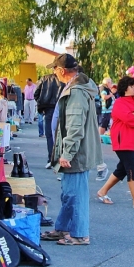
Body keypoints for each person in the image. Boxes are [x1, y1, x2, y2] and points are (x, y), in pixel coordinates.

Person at [41, 53, 102, 246]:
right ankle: (64, 228)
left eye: (54, 69)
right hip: (77, 150)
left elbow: (75, 125)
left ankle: (79, 234)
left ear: (61, 70)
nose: (54, 72)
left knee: (75, 193)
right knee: (69, 191)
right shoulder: (77, 87)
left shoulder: (76, 91)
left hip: (76, 152)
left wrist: (67, 152)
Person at [96, 76, 134, 210]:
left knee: (122, 169)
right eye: (132, 86)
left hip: (133, 141)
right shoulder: (120, 103)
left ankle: (102, 191)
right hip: (123, 141)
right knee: (132, 168)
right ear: (125, 87)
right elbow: (130, 120)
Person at [35, 72, 62, 168]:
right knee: (61, 133)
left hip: (48, 108)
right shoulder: (63, 79)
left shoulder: (45, 78)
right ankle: (59, 158)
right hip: (61, 107)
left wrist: (41, 105)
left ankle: (51, 158)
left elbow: (36, 93)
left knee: (49, 134)